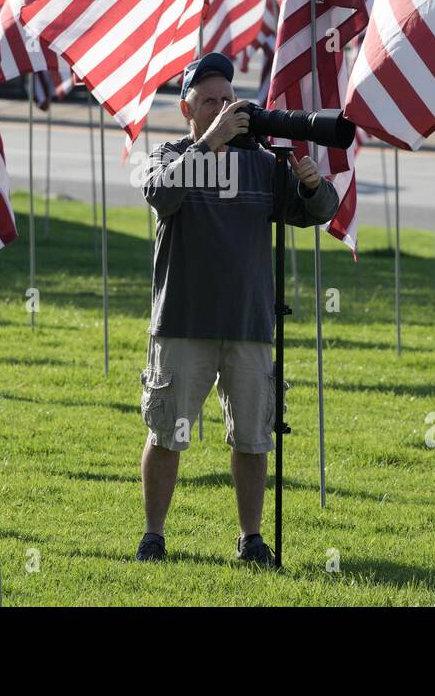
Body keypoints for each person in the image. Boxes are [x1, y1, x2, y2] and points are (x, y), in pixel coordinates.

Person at [136, 51, 340, 565]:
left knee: (253, 439)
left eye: (228, 99)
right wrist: (209, 144)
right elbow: (161, 196)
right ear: (188, 109)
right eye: (209, 101)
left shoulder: (261, 163)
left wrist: (313, 186)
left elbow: (318, 211)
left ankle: (251, 539)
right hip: (184, 323)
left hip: (250, 325)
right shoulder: (170, 154)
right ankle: (154, 536)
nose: (222, 107)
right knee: (167, 434)